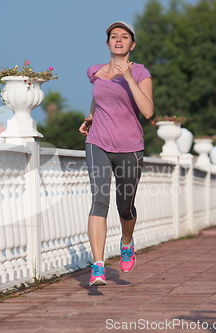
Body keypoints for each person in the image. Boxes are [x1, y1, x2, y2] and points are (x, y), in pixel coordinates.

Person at [79, 21, 154, 286]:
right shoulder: (95, 72)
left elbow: (148, 111)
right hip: (97, 142)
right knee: (99, 200)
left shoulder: (142, 72)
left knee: (125, 207)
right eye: (114, 36)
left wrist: (130, 78)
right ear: (108, 43)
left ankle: (126, 242)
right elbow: (99, 95)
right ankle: (98, 266)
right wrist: (90, 116)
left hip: (129, 148)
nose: (118, 40)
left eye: (124, 37)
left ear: (132, 45)